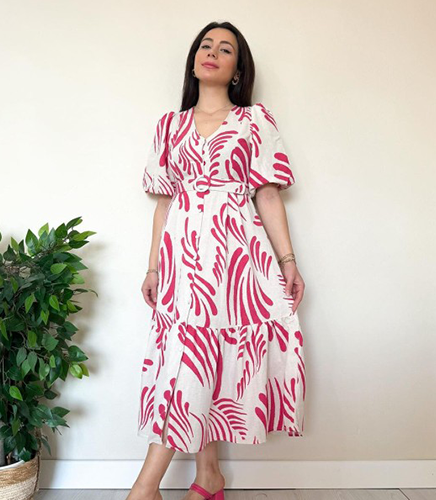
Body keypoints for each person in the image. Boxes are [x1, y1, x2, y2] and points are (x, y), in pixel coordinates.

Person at [129, 21, 306, 500]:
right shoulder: (169, 126)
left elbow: (267, 194)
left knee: (206, 356)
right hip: (182, 258)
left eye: (225, 49)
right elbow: (165, 203)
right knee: (188, 356)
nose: (213, 52)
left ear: (237, 69)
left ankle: (145, 488)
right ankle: (208, 476)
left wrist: (288, 261)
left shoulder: (254, 121)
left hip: (236, 259)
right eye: (206, 45)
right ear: (193, 62)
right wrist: (152, 267)